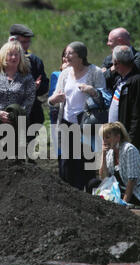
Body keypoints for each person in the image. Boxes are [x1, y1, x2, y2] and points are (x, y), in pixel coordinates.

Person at [0, 24, 49, 157]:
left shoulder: (34, 61)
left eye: (28, 42)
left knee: (21, 158)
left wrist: (36, 88)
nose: (26, 46)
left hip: (25, 118)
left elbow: (43, 87)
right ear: (12, 40)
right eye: (22, 42)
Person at [48, 41, 105, 190]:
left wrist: (92, 90)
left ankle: (87, 195)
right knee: (67, 162)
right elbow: (54, 96)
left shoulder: (95, 72)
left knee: (85, 161)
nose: (66, 56)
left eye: (70, 53)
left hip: (87, 123)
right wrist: (53, 100)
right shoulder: (65, 73)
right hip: (66, 122)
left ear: (81, 56)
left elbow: (104, 97)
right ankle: (69, 195)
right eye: (65, 53)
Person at [0, 40, 36, 165]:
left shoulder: (27, 77)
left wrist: (15, 115)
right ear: (3, 56)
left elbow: (29, 99)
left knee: (15, 165)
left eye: (17, 54)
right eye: (10, 54)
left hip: (16, 127)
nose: (14, 57)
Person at [87, 122, 140, 207]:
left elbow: (132, 179)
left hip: (135, 193)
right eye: (103, 138)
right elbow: (103, 178)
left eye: (107, 137)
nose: (104, 141)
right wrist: (103, 154)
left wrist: (123, 203)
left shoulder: (129, 149)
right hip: (119, 189)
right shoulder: (110, 152)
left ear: (117, 137)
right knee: (93, 183)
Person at [107, 45, 140, 151]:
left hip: (127, 139)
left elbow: (138, 114)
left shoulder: (137, 81)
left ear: (116, 63)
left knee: (129, 167)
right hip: (117, 136)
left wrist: (131, 141)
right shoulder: (120, 79)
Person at [102, 27, 140, 92]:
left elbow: (134, 76)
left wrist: (111, 69)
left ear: (120, 41)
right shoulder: (108, 59)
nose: (108, 44)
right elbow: (101, 80)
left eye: (110, 41)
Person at [47, 46, 69, 152]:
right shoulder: (56, 75)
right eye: (64, 55)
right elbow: (53, 101)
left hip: (76, 119)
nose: (66, 58)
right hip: (58, 116)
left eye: (69, 55)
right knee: (61, 152)